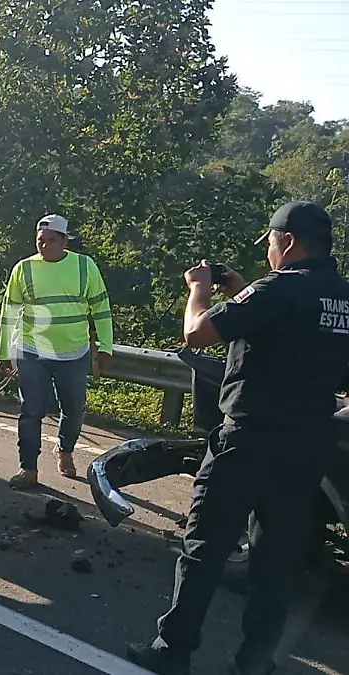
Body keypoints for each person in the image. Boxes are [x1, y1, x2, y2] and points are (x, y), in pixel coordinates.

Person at [127, 201, 349, 675]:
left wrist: (199, 291)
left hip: (249, 441)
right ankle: (255, 663)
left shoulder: (277, 289)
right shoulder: (342, 296)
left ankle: (172, 651)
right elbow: (289, 321)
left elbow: (197, 334)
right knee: (275, 561)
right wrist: (242, 289)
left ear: (287, 241)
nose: (269, 252)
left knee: (204, 547)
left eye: (270, 242)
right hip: (308, 446)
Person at [0, 214, 113, 489]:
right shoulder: (23, 269)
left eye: (51, 240)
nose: (44, 246)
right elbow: (9, 312)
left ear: (64, 241)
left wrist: (105, 347)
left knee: (73, 407)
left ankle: (64, 450)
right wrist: (3, 352)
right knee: (31, 409)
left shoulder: (85, 266)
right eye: (40, 241)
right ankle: (28, 467)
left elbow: (101, 307)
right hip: (32, 350)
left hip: (73, 352)